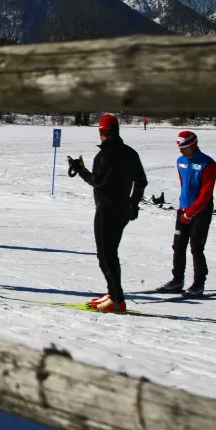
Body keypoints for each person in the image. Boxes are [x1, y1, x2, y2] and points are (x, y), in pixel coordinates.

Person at [67, 114, 147, 313]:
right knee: (111, 254)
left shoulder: (104, 156)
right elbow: (141, 181)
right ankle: (113, 294)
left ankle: (117, 300)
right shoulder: (130, 153)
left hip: (106, 210)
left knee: (105, 256)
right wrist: (133, 203)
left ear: (101, 132)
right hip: (122, 211)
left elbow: (97, 182)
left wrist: (80, 170)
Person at [157, 131, 216, 296]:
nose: (181, 151)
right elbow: (184, 185)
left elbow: (206, 194)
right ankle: (177, 279)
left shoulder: (209, 164)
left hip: (201, 212)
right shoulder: (180, 161)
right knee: (178, 246)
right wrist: (184, 208)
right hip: (183, 210)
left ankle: (199, 283)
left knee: (196, 247)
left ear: (193, 145)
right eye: (179, 147)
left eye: (184, 147)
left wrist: (191, 213)